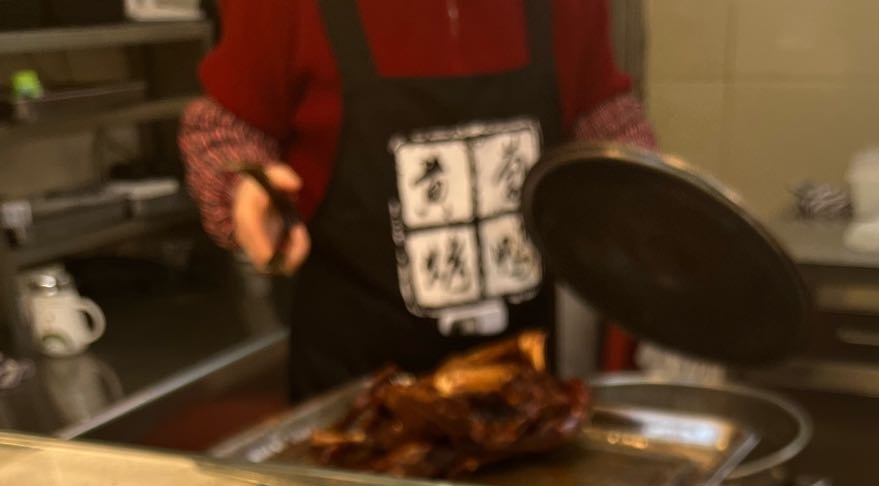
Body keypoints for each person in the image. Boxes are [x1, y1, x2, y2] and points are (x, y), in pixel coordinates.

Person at [181, 0, 655, 399]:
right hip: (356, 400)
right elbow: (224, 126)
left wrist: (644, 184)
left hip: (521, 392)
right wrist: (242, 187)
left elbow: (598, 108)